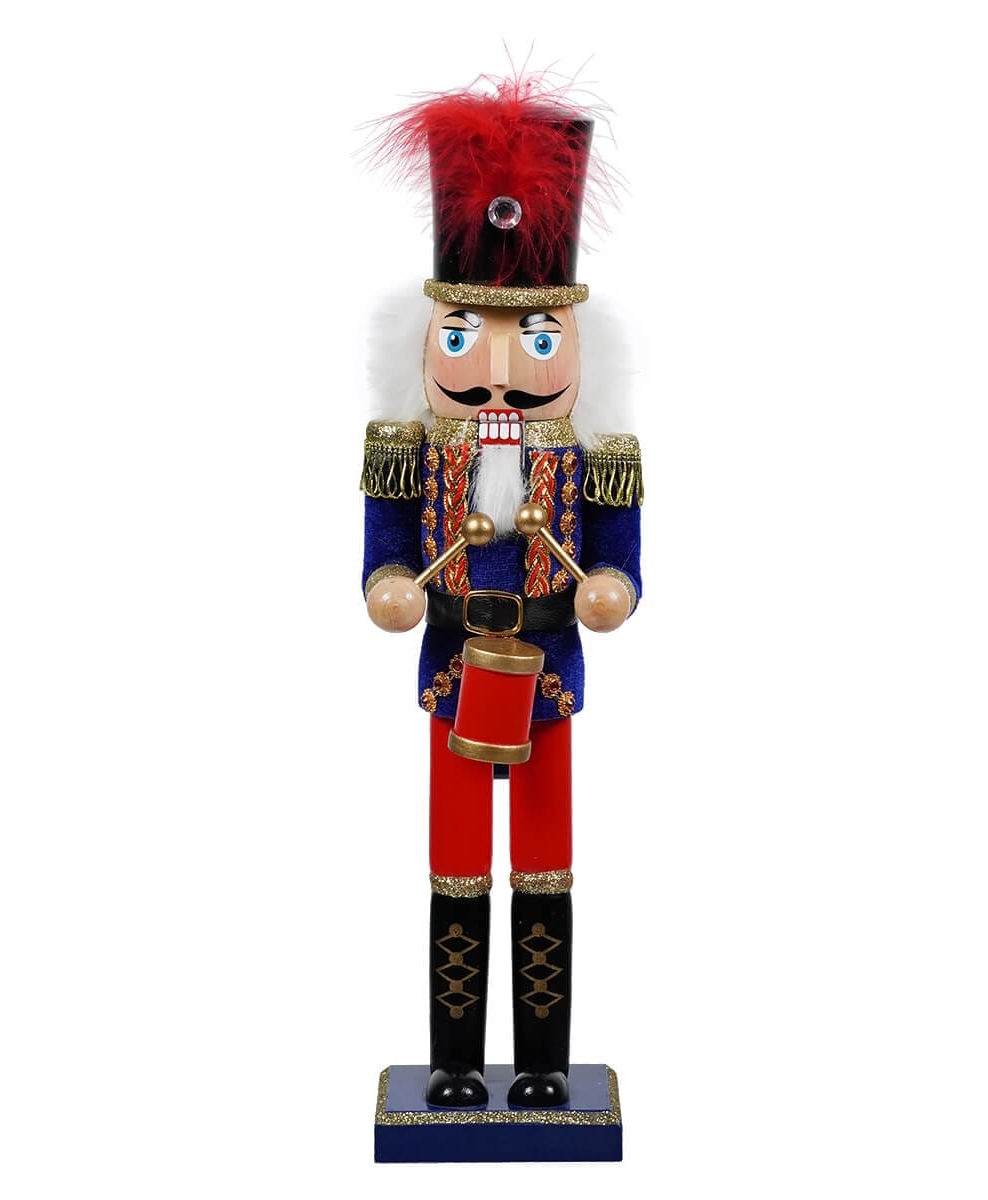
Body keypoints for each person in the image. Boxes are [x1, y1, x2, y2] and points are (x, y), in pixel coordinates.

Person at [361, 73, 642, 1109]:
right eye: (463, 336)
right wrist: (391, 588)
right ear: (426, 337)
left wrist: (609, 589)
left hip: (548, 675)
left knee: (546, 861)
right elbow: (382, 562)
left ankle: (539, 1065)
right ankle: (451, 1063)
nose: (498, 373)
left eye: (536, 339)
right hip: (452, 670)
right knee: (455, 861)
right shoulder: (407, 450)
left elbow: (622, 568)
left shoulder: (597, 458)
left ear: (575, 342)